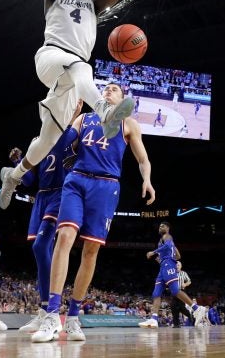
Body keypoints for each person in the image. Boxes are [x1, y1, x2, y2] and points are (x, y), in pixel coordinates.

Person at [0, 0, 134, 210]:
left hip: (71, 77)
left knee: (48, 139)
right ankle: (106, 112)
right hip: (51, 58)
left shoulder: (94, 5)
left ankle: (14, 176)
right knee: (84, 68)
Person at [31, 82, 155, 343]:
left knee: (91, 249)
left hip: (106, 185)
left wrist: (147, 180)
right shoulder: (84, 118)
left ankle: (73, 317)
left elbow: (143, 159)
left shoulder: (129, 124)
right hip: (76, 179)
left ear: (122, 99)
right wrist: (68, 119)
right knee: (64, 237)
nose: (107, 91)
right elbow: (64, 145)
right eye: (105, 89)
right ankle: (52, 315)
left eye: (113, 90)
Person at [14, 102, 83, 333]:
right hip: (41, 197)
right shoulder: (37, 141)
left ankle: (48, 309)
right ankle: (44, 310)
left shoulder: (67, 134)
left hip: (60, 194)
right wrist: (18, 164)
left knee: (42, 246)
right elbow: (29, 182)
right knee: (38, 247)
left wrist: (74, 114)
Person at [138, 222, 208, 329]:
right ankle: (154, 319)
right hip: (163, 266)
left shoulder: (167, 236)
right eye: (160, 226)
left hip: (168, 264)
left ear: (168, 228)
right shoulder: (167, 240)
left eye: (163, 226)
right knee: (156, 293)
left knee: (175, 290)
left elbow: (167, 246)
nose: (160, 227)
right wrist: (164, 258)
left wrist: (154, 252)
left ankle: (197, 309)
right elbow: (178, 255)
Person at [170, 261, 193, 327]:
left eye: (178, 265)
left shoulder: (183, 273)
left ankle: (189, 314)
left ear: (181, 266)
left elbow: (189, 281)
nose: (177, 266)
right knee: (173, 307)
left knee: (181, 307)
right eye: (176, 265)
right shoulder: (172, 273)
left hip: (181, 291)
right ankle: (176, 324)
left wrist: (185, 284)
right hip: (173, 291)